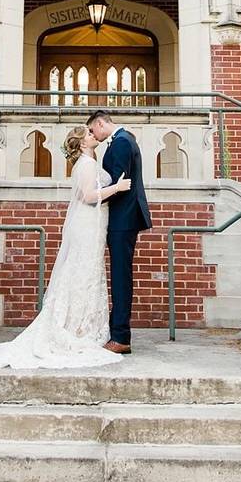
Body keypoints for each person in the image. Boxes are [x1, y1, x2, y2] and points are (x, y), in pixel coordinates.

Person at [0, 125, 132, 369]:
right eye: (89, 134)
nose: (94, 135)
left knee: (89, 272)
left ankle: (84, 326)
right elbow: (88, 196)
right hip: (86, 225)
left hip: (95, 224)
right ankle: (74, 328)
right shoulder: (86, 163)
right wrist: (117, 188)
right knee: (80, 272)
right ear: (82, 143)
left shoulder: (92, 159)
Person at [87, 109, 152, 355]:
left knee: (121, 277)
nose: (93, 134)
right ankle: (117, 332)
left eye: (93, 130)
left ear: (101, 123)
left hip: (123, 219)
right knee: (120, 275)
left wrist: (91, 199)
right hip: (120, 217)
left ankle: (121, 337)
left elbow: (120, 185)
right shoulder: (124, 139)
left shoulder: (123, 142)